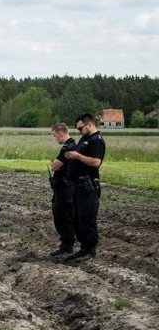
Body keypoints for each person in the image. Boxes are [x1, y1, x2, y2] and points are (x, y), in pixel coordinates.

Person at [63, 113, 106, 263]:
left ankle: (89, 249)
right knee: (77, 218)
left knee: (87, 218)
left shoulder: (96, 141)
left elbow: (95, 162)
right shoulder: (85, 139)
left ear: (89, 124)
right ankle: (83, 248)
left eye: (81, 128)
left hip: (88, 187)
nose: (79, 131)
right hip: (77, 186)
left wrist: (77, 156)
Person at [49, 123, 76, 258]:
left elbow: (54, 166)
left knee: (63, 216)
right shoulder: (69, 146)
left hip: (64, 188)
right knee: (60, 216)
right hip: (62, 187)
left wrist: (55, 163)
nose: (55, 139)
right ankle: (65, 244)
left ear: (61, 133)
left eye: (55, 136)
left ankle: (67, 245)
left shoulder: (68, 147)